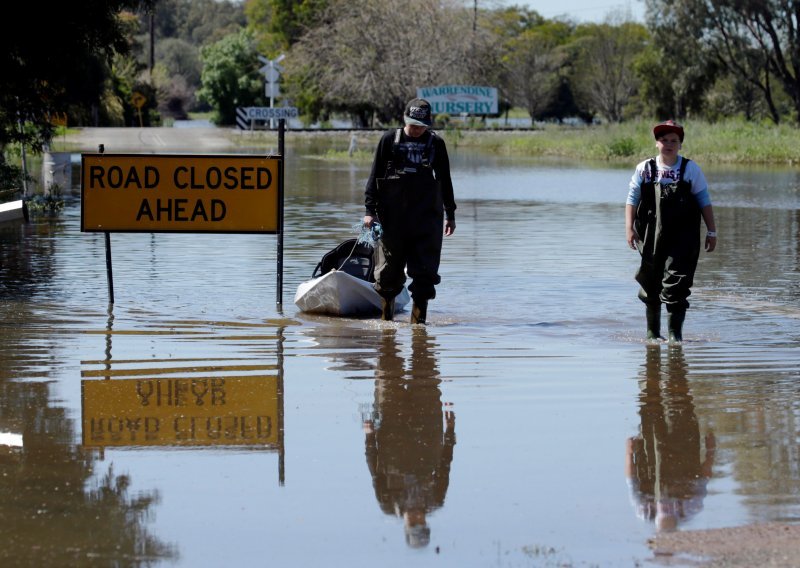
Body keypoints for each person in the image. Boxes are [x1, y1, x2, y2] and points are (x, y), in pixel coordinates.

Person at [363, 98, 456, 324]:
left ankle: (418, 327)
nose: (416, 130)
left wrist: (450, 214)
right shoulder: (388, 140)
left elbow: (445, 180)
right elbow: (374, 177)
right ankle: (387, 327)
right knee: (387, 277)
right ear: (405, 120)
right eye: (413, 125)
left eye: (421, 126)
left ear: (428, 125)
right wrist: (369, 210)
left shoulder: (436, 144)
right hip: (392, 220)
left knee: (425, 276)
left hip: (427, 221)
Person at [625, 120, 717, 342]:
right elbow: (632, 199)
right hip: (649, 236)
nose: (668, 144)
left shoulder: (690, 169)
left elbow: (704, 201)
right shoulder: (644, 169)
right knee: (651, 283)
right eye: (664, 140)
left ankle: (675, 337)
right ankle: (652, 335)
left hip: (683, 238)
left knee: (677, 284)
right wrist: (629, 227)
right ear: (657, 143)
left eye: (673, 140)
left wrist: (712, 231)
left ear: (680, 145)